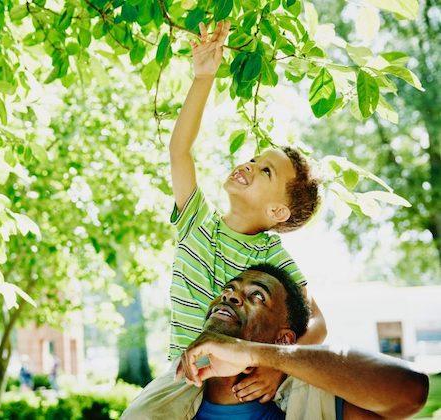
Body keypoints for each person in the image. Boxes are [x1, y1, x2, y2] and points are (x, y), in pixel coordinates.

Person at [166, 19, 325, 401]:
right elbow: (179, 151)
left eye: (265, 170)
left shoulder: (272, 258)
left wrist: (276, 367)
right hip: (181, 380)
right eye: (254, 159)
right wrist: (204, 76)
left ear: (278, 212)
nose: (249, 165)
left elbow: (317, 324)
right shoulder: (196, 222)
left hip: (243, 382)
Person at [121, 265, 429, 419]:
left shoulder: (308, 403)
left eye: (256, 296)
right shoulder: (163, 400)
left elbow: (411, 391)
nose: (231, 295)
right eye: (229, 289)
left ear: (283, 339)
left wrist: (257, 355)